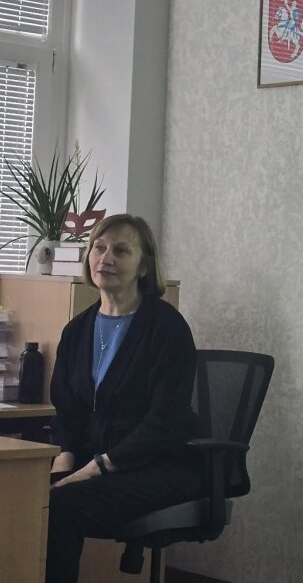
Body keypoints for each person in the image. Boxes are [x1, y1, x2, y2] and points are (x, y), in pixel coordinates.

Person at [46, 214, 201, 583]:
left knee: (60, 507)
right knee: (19, 493)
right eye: (99, 248)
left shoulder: (166, 327)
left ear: (143, 266)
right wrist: (65, 457)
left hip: (158, 465)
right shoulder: (77, 330)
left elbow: (165, 420)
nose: (106, 258)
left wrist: (98, 466)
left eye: (121, 251)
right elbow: (67, 409)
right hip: (96, 460)